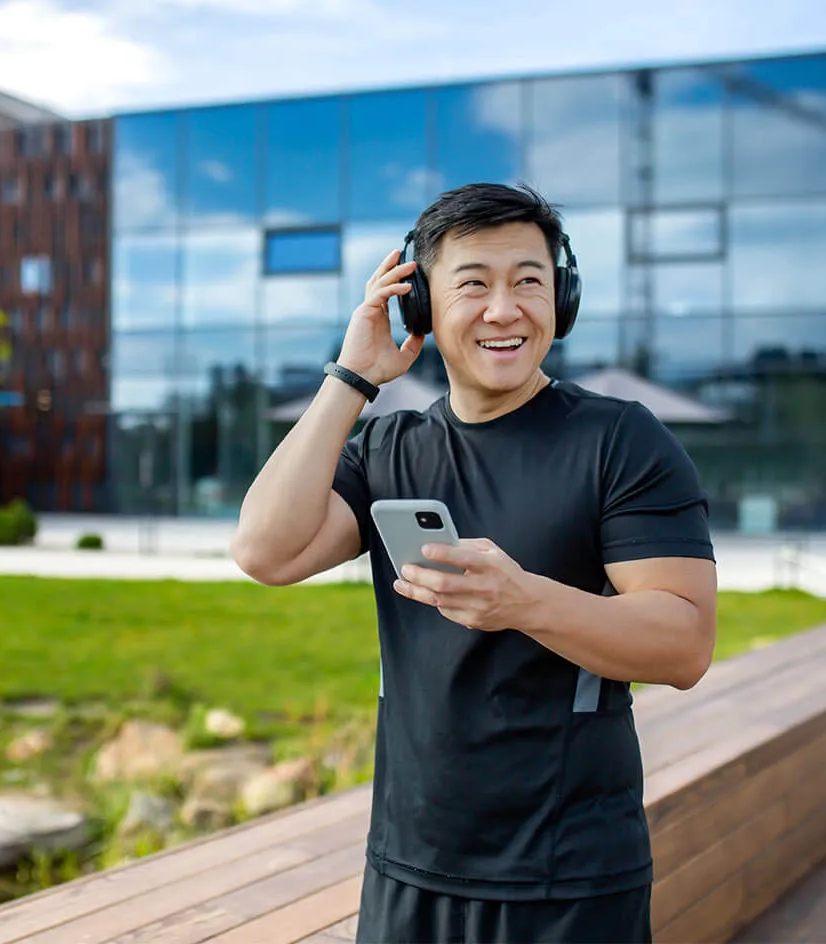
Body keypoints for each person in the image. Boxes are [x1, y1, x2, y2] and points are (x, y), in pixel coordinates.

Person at [231, 183, 717, 944]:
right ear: (420, 304)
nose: (504, 309)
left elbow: (684, 644)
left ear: (563, 298)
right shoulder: (390, 448)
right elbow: (266, 551)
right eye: (473, 285)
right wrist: (352, 378)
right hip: (408, 867)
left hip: (571, 879)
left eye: (529, 281)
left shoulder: (622, 441)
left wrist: (524, 602)